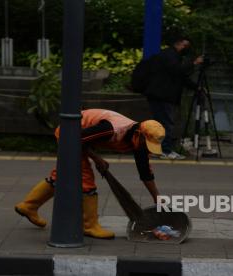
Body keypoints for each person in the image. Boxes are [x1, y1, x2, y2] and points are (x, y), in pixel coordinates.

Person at [15, 109, 164, 239]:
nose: (147, 148)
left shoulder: (138, 140)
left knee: (61, 176)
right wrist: (97, 159)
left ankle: (28, 206)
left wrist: (157, 197)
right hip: (70, 132)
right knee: (86, 179)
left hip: (79, 138)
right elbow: (76, 138)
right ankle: (89, 226)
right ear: (139, 134)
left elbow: (145, 172)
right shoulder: (112, 129)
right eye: (147, 144)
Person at [145, 36, 203, 160]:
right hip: (163, 95)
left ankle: (156, 150)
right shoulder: (170, 56)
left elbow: (180, 76)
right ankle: (165, 150)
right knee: (165, 123)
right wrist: (194, 63)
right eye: (185, 45)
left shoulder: (170, 55)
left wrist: (196, 87)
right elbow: (178, 72)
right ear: (179, 44)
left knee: (160, 124)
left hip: (159, 94)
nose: (186, 48)